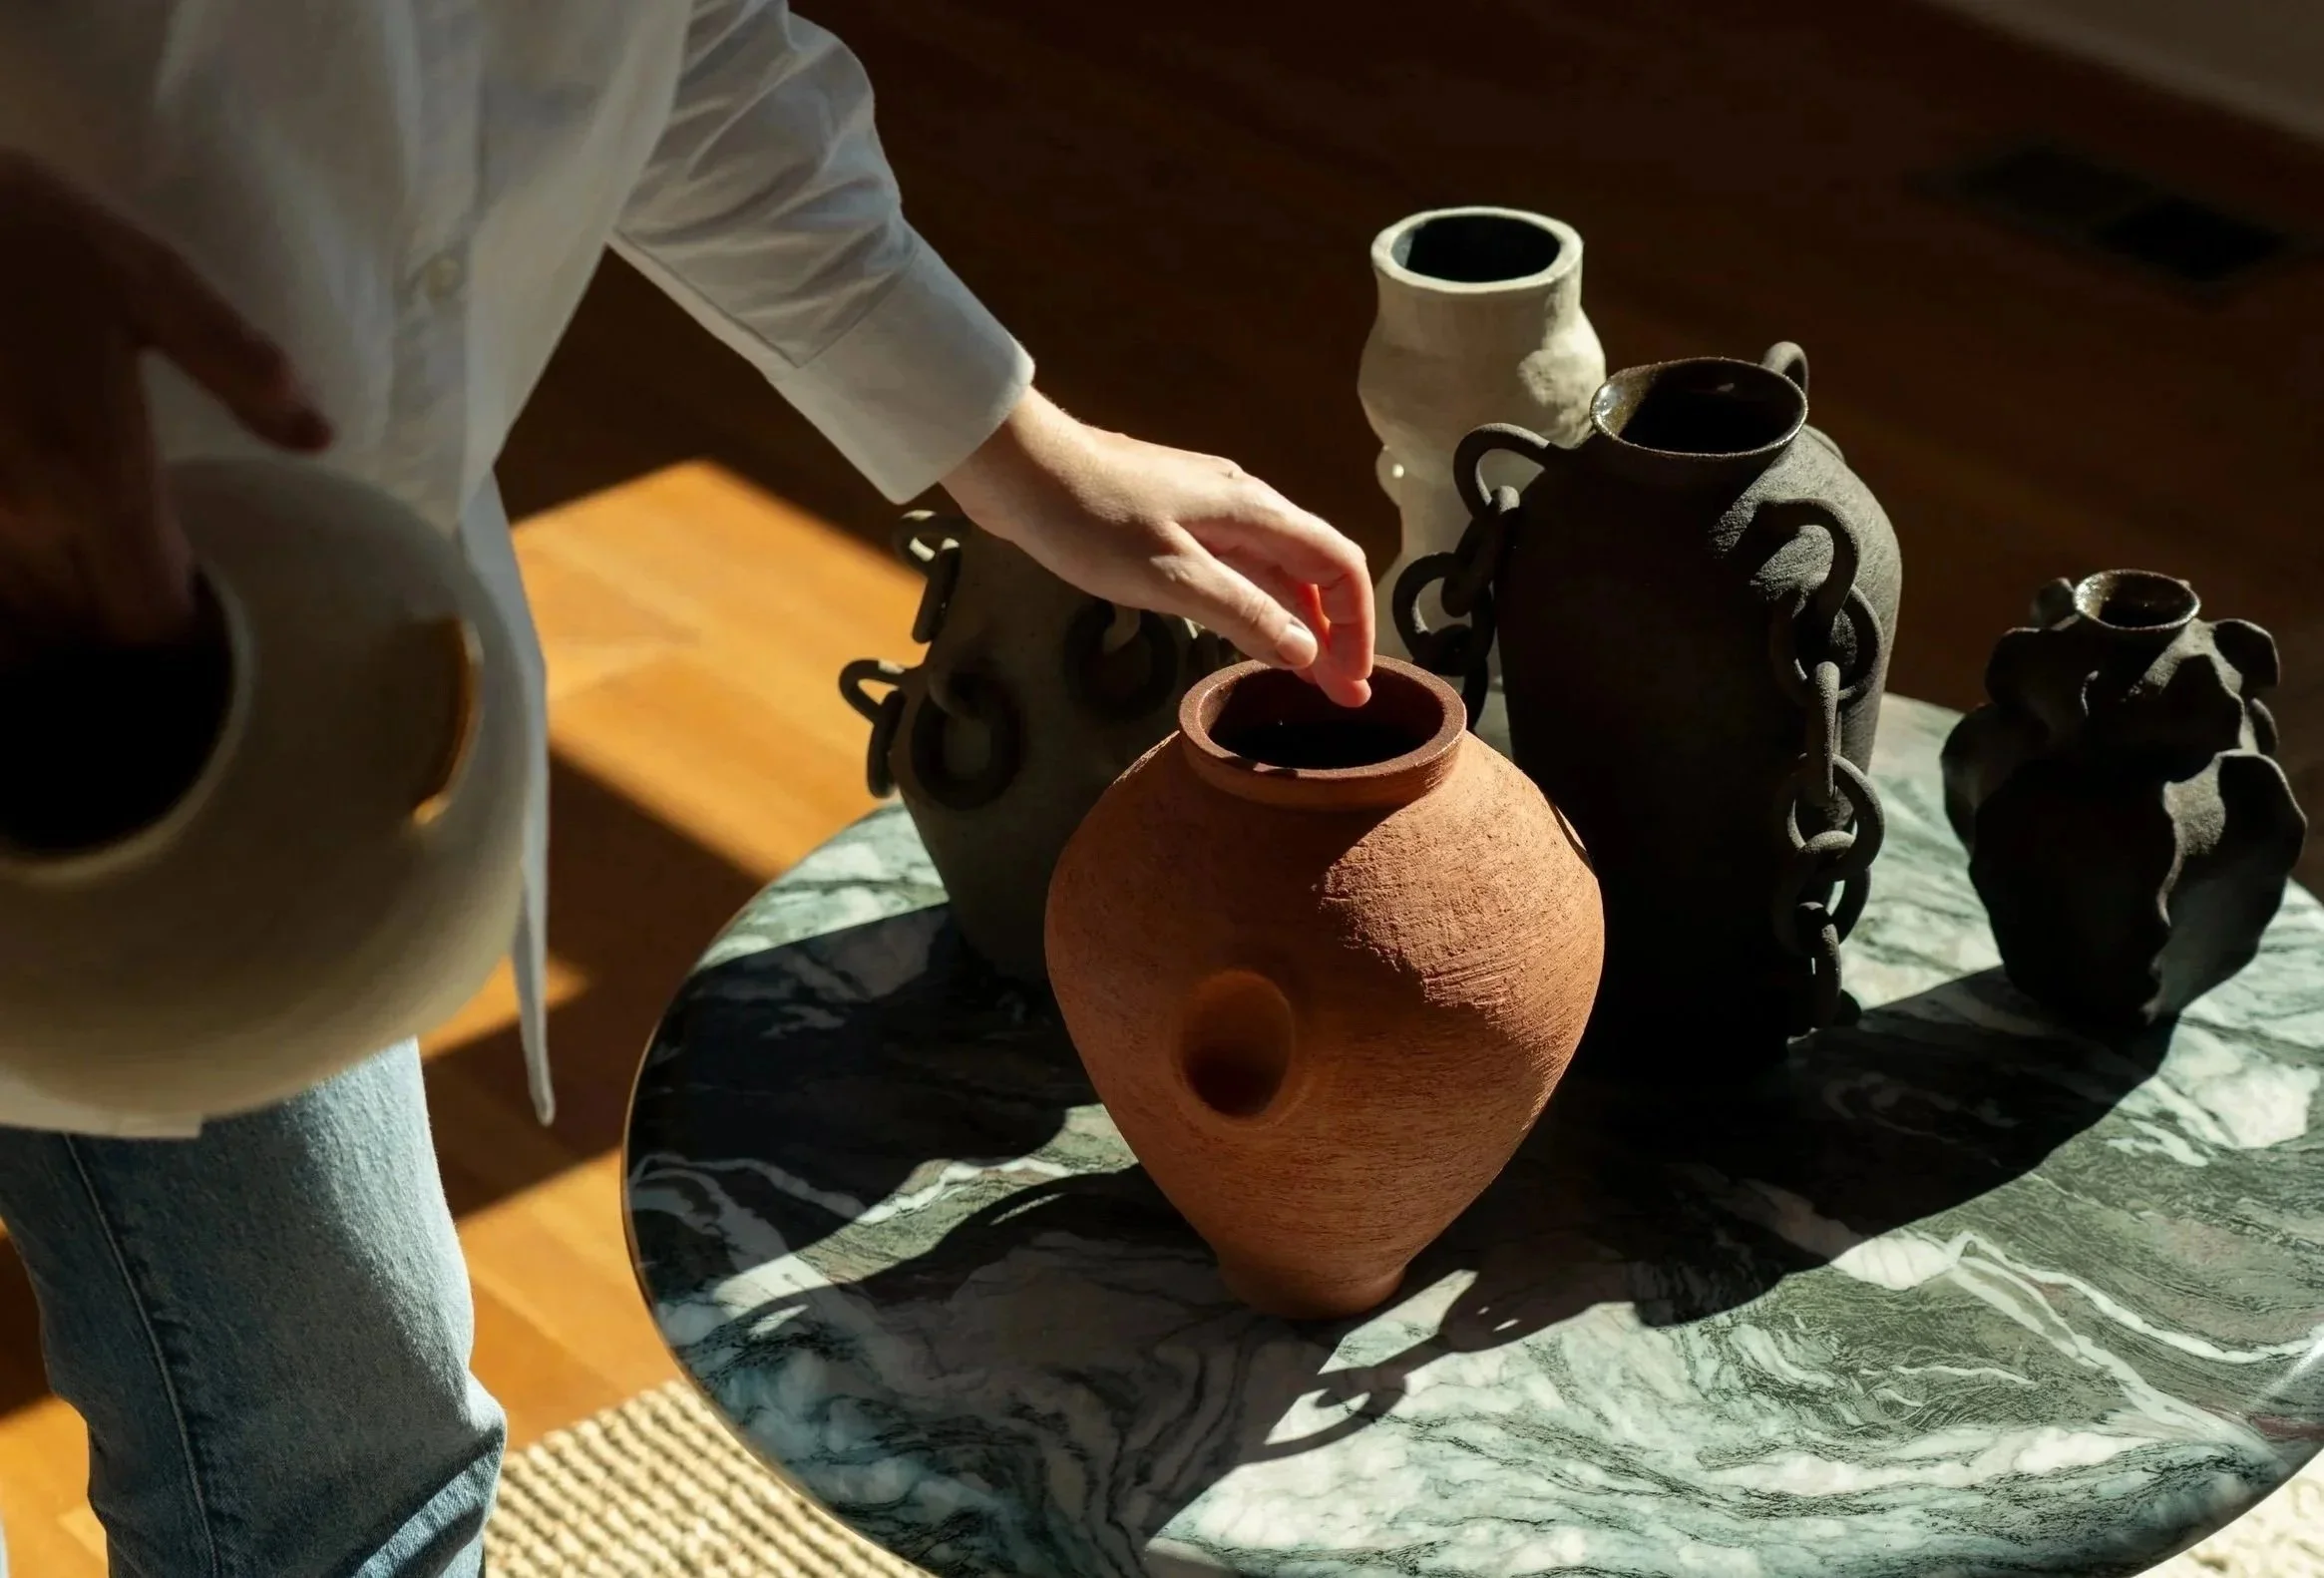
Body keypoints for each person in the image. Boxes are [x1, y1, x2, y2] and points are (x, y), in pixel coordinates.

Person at [0, 4, 1375, 1573]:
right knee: (328, 1474)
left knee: (343, 1454)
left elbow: (665, 39)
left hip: (260, 698)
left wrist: (1009, 440)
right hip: (73, 676)